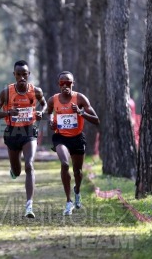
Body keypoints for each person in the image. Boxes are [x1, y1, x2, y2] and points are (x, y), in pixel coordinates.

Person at [0, 60, 46, 218]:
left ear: (28, 75)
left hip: (29, 131)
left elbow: (45, 105)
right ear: (14, 75)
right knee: (17, 170)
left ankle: (29, 205)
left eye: (25, 74)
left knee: (29, 164)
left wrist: (42, 112)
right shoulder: (6, 93)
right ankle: (14, 170)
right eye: (18, 74)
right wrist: (8, 113)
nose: (22, 77)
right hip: (12, 133)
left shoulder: (36, 91)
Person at [46, 71, 100, 216]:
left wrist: (81, 113)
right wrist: (51, 121)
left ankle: (77, 191)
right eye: (62, 83)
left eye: (68, 83)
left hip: (77, 138)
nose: (65, 86)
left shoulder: (80, 98)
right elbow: (49, 111)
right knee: (64, 164)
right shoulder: (53, 99)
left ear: (72, 83)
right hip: (60, 137)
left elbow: (96, 120)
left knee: (78, 172)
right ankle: (68, 201)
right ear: (58, 85)